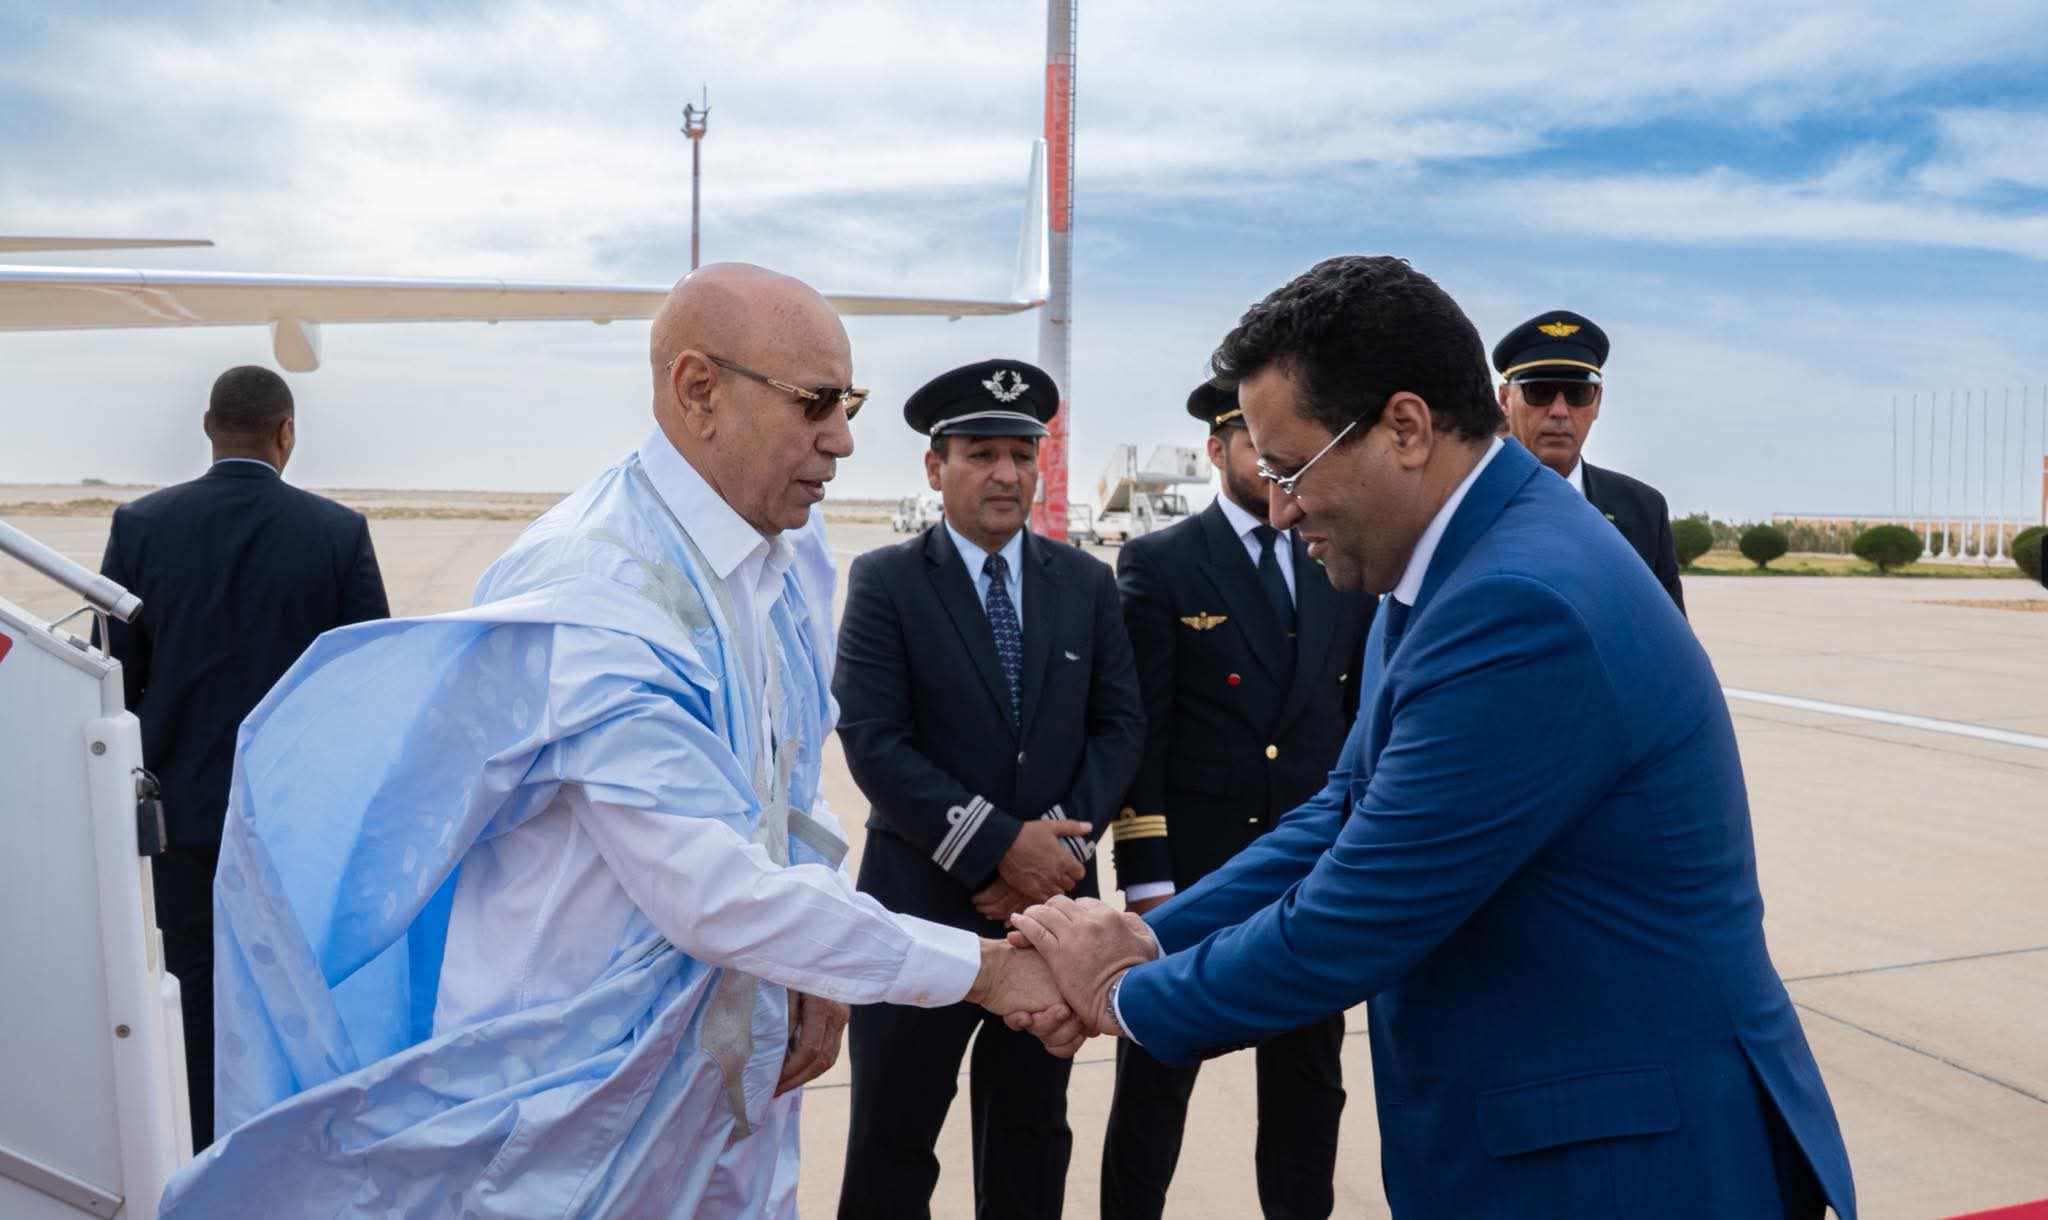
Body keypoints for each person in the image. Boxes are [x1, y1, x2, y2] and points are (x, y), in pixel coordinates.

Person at [154, 265, 1066, 1219]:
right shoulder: (595, 590)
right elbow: (713, 889)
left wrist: (821, 969)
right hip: (571, 1116)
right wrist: (991, 970)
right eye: (815, 404)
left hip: (725, 1088)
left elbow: (790, 786)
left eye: (850, 403)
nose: (841, 439)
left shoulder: (783, 552)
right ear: (699, 391)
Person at [1008, 256, 1857, 1220]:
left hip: (1625, 1162)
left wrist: (1120, 992)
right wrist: (1148, 935)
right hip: (1548, 1135)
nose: (1281, 507)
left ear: (1406, 429)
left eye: (1292, 469)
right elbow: (1343, 810)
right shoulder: (1446, 567)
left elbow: (1363, 906)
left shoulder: (1518, 603)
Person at [833, 359, 1144, 1220]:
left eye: (1020, 453)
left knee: (1030, 1143)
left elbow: (1120, 727)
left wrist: (1054, 852)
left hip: (1052, 919)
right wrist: (1002, 847)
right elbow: (873, 740)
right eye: (980, 454)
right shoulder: (887, 581)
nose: (1005, 473)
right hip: (919, 907)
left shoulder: (1086, 582)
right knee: (892, 1141)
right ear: (935, 468)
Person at [95, 364, 389, 1143]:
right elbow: (365, 685)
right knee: (295, 991)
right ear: (286, 433)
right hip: (297, 817)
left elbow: (113, 678)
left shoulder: (141, 525)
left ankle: (200, 1149)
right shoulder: (337, 533)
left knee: (191, 991)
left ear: (207, 426)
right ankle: (292, 1147)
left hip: (180, 816)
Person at [1100, 379, 1371, 1219]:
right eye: (1249, 442)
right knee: (1156, 1081)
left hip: (1309, 878)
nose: (1268, 461)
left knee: (1307, 1085)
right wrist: (1148, 879)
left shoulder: (1338, 556)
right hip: (1197, 876)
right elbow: (1142, 732)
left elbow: (1352, 720)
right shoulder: (1164, 562)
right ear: (1217, 450)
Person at [1493, 310, 1686, 612]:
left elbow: (1670, 636)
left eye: (1577, 393)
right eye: (1539, 392)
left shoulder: (1644, 511)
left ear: (1597, 402)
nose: (1559, 411)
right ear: (1505, 399)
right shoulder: (1459, 504)